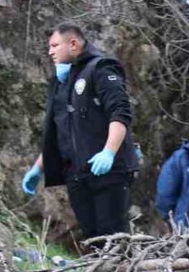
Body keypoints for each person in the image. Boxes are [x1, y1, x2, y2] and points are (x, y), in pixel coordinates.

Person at [23, 23, 138, 241]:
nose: (50, 52)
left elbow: (120, 112)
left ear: (73, 44)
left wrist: (109, 152)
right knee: (92, 239)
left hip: (108, 172)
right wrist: (38, 168)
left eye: (55, 45)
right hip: (77, 175)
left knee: (114, 240)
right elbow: (56, 133)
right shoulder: (61, 83)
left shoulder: (101, 68)